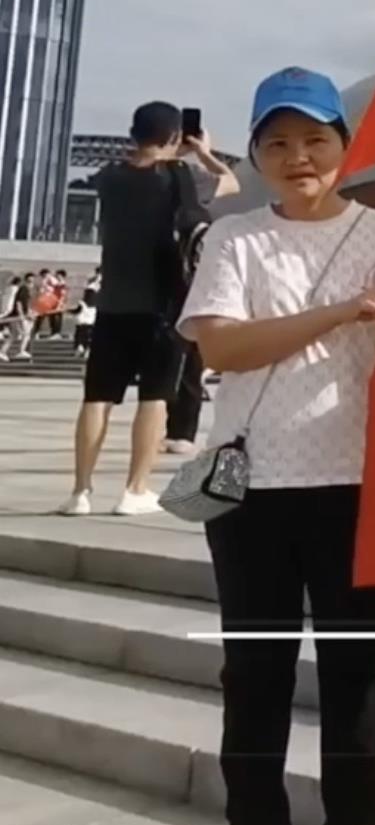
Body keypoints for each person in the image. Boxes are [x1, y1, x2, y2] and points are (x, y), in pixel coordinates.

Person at [168, 69, 375, 825]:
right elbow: (221, 349)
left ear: (344, 147)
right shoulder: (236, 238)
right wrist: (342, 313)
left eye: (316, 139)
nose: (299, 157)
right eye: (278, 143)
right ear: (254, 155)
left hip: (359, 484)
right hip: (253, 491)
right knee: (254, 667)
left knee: (359, 669)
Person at [62, 102, 238, 516]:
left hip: (112, 305)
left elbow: (137, 168)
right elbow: (231, 183)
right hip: (163, 306)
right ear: (176, 136)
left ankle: (80, 492)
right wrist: (203, 152)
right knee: (154, 398)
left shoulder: (110, 177)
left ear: (132, 133)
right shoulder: (182, 176)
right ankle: (134, 490)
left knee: (97, 398)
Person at [73, 272, 100, 357]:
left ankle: (81, 348)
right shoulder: (96, 305)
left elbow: (76, 311)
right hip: (90, 323)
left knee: (81, 336)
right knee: (89, 337)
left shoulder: (82, 303)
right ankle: (86, 349)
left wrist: (69, 311)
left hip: (82, 323)